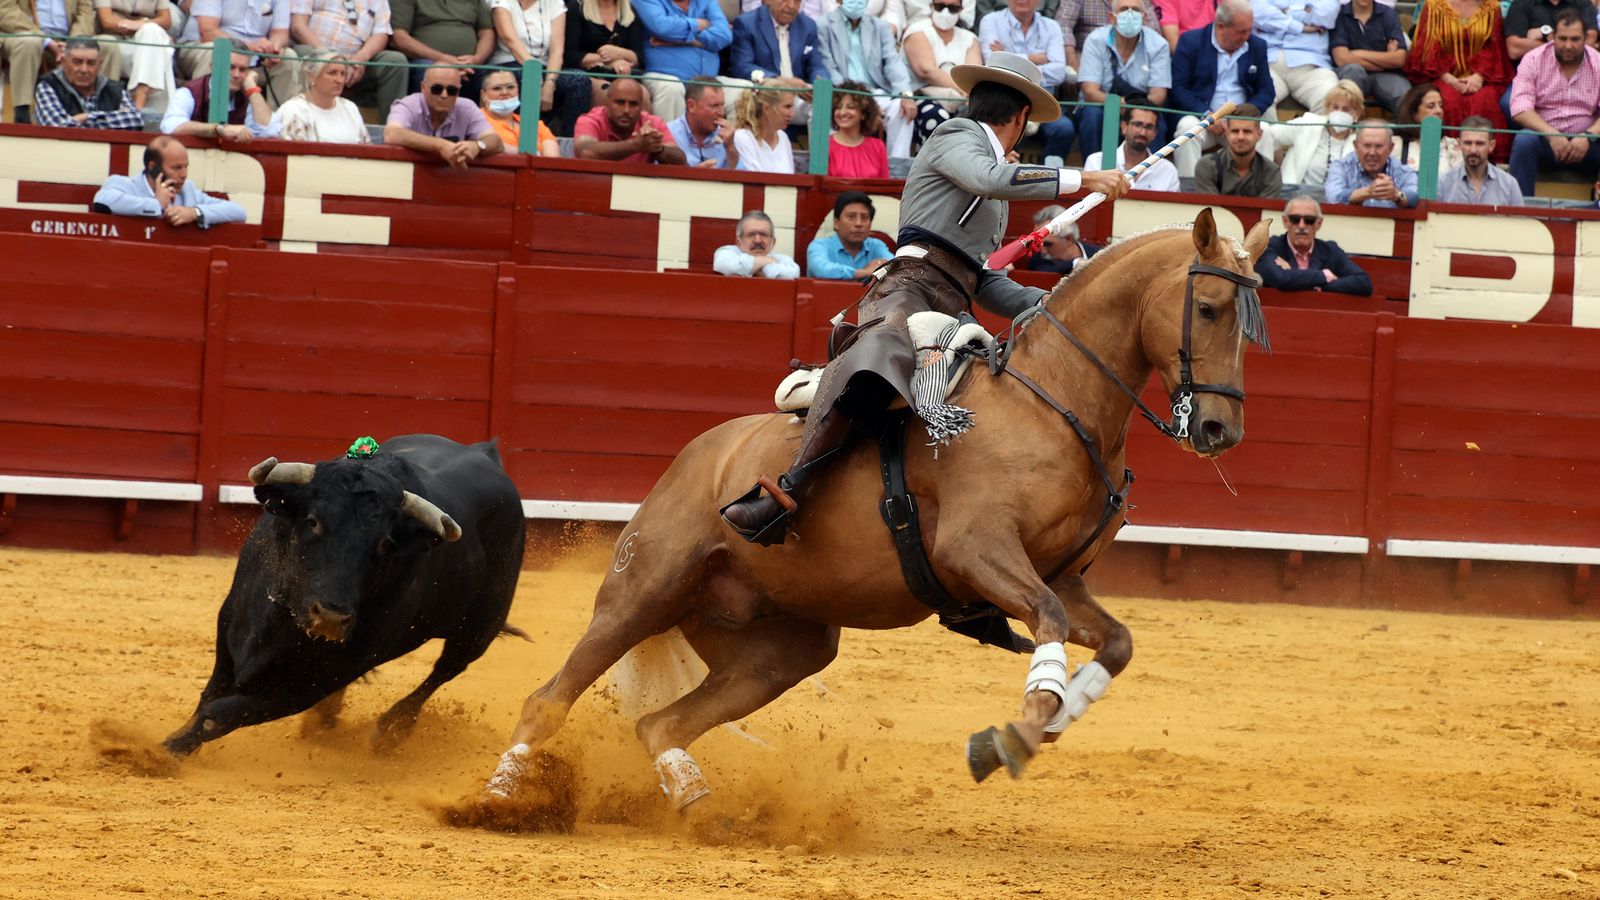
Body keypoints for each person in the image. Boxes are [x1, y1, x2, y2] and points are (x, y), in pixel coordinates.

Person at [718, 50, 1129, 544]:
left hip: (954, 307)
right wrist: (1084, 178)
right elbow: (989, 178)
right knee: (880, 356)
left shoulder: (992, 181)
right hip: (908, 288)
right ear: (1021, 117)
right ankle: (788, 492)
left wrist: (1054, 303)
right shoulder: (956, 135)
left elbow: (981, 279)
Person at [1171, 0, 1274, 177]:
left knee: (1265, 131)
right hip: (1204, 119)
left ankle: (1260, 190)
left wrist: (1245, 115)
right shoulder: (1191, 42)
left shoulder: (1257, 45)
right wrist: (1206, 116)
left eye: (1249, 30)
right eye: (1241, 31)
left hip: (1241, 121)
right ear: (1220, 26)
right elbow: (1178, 88)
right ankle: (1189, 188)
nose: (1247, 36)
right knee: (1187, 128)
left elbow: (1267, 91)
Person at [1509, 10, 1600, 195]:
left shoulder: (1598, 63)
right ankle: (1521, 208)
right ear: (1552, 37)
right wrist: (1552, 135)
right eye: (1562, 38)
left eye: (1575, 39)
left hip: (1588, 144)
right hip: (1546, 142)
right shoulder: (1533, 59)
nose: (1568, 45)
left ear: (1586, 38)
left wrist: (1588, 136)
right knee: (1524, 141)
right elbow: (1520, 107)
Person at [817, 0, 916, 157]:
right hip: (841, 92)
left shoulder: (880, 26)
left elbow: (893, 62)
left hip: (876, 92)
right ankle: (833, 165)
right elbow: (828, 66)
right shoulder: (823, 25)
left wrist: (905, 93)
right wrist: (859, 99)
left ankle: (897, 167)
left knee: (902, 108)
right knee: (827, 108)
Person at [1404, 0, 1513, 142]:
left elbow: (1495, 48)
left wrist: (1479, 76)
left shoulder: (1492, 7)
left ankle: (1485, 154)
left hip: (1483, 77)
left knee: (1485, 101)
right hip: (1440, 75)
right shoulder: (1433, 6)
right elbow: (1426, 49)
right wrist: (1450, 79)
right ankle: (1448, 151)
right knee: (1448, 101)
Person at [1074, 0, 1170, 159]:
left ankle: (1147, 173)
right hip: (1101, 106)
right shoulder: (1095, 40)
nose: (1130, 14)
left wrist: (1134, 110)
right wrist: (1120, 105)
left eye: (1136, 10)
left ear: (1145, 17)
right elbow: (1090, 92)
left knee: (1154, 122)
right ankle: (1093, 170)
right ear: (1111, 17)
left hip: (1142, 107)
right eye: (1124, 9)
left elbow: (1158, 95)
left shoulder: (1159, 45)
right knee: (1092, 116)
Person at [979, 0, 1072, 163]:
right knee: (1005, 123)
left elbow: (1058, 72)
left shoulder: (1052, 26)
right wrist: (1032, 58)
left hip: (1042, 104)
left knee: (1064, 129)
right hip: (1002, 103)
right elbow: (993, 64)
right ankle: (1004, 173)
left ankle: (1047, 176)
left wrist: (1009, 56)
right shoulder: (990, 21)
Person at [92, 135, 248, 228]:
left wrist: (194, 213)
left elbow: (239, 212)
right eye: (177, 168)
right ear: (153, 168)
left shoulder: (188, 191)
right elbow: (102, 201)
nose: (184, 175)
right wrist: (156, 205)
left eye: (186, 167)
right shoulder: (124, 184)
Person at [289, 0, 409, 117]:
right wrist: (330, 57)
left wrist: (360, 59)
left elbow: (381, 34)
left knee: (395, 61)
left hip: (356, 61)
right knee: (303, 53)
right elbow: (298, 26)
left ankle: (394, 125)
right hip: (317, 53)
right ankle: (300, 118)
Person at [489, 0, 591, 133]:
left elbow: (557, 51)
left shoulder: (554, 3)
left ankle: (569, 140)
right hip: (508, 64)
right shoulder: (502, 3)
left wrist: (550, 82)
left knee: (579, 80)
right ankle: (522, 137)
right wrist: (535, 74)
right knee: (523, 78)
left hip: (545, 68)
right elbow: (510, 40)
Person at [178, 0, 301, 107]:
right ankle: (205, 119)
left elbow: (280, 33)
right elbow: (208, 32)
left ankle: (275, 122)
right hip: (202, 46)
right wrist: (248, 46)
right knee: (218, 52)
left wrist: (273, 48)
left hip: (254, 55)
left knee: (288, 57)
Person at [0, 0, 103, 124]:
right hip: (24, 33)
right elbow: (5, 11)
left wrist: (73, 44)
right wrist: (46, 41)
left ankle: (104, 110)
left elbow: (85, 14)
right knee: (29, 43)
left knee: (108, 46)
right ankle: (22, 112)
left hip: (68, 38)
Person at [384, 65, 506, 166]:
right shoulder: (408, 105)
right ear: (423, 87)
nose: (444, 95)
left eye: (452, 90)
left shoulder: (467, 108)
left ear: (459, 91)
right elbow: (391, 134)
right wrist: (440, 145)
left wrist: (478, 146)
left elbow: (495, 141)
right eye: (437, 89)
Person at [633, 0, 731, 121]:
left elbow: (725, 35)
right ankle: (668, 134)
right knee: (671, 88)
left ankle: (730, 134)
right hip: (664, 76)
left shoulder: (706, 2)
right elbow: (662, 28)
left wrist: (680, 41)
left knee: (742, 89)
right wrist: (698, 24)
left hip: (709, 81)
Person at [1253, 194, 1372, 295]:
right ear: (1285, 221)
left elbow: (1363, 282)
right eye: (1295, 219)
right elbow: (1280, 279)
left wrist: (1314, 285)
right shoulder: (1270, 247)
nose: (1301, 226)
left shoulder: (1330, 250)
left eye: (1309, 220)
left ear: (1318, 224)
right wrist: (1325, 276)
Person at [901, 0, 981, 148]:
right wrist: (965, 91)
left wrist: (966, 93)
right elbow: (926, 71)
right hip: (925, 98)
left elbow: (973, 75)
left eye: (952, 8)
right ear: (931, 6)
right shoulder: (917, 31)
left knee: (978, 123)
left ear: (960, 9)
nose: (945, 12)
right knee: (936, 118)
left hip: (963, 102)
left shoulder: (970, 38)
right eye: (940, 6)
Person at [1264, 77, 1360, 190]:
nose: (1339, 112)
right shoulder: (1308, 125)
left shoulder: (1360, 142)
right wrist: (1271, 173)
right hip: (1295, 196)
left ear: (1357, 114)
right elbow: (1267, 134)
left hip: (1339, 199)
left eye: (1346, 109)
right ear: (1328, 109)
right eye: (1335, 107)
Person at [160, 49, 280, 138]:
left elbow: (270, 131)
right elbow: (171, 127)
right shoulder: (190, 92)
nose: (237, 75)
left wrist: (252, 88)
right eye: (230, 67)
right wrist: (218, 130)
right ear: (213, 67)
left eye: (242, 70)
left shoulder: (246, 96)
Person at [389, 0, 493, 102]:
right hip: (426, 62)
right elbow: (398, 37)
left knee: (493, 77)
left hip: (469, 67)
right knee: (427, 71)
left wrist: (476, 59)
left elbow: (487, 31)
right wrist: (444, 60)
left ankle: (481, 113)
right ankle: (423, 113)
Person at [33, 36, 144, 129]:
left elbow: (136, 120)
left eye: (91, 63)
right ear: (63, 62)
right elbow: (58, 127)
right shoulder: (49, 85)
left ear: (99, 64)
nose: (84, 70)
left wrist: (84, 117)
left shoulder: (114, 88)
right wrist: (112, 118)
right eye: (77, 62)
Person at [1252, 0, 1340, 114]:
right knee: (1255, 101)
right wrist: (1301, 27)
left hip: (1310, 66)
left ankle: (1306, 127)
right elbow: (1257, 13)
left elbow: (1326, 15)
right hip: (1268, 64)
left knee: (1333, 100)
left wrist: (1283, 13)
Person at [574, 75, 688, 162]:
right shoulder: (590, 120)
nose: (626, 110)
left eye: (633, 104)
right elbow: (585, 152)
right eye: (619, 102)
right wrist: (636, 145)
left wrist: (657, 147)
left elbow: (681, 161)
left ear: (641, 106)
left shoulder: (653, 123)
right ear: (606, 103)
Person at [94, 0, 176, 110]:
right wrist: (132, 25)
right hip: (116, 38)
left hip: (145, 38)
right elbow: (107, 21)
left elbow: (166, 20)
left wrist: (141, 25)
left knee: (152, 31)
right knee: (158, 46)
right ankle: (142, 104)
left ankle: (139, 97)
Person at [1082, 99, 1179, 191]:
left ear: (1155, 133)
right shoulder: (1096, 161)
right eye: (1137, 124)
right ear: (1124, 127)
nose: (1143, 132)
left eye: (1149, 127)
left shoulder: (1168, 170)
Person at [1329, 0, 1407, 114]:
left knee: (1405, 98)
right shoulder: (1339, 14)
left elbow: (1399, 59)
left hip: (1386, 75)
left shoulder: (1388, 14)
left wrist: (1356, 53)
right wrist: (1386, 60)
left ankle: (1405, 126)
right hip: (1352, 73)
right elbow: (1342, 59)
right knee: (1354, 70)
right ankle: (1346, 122)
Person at [272, 52, 371, 142]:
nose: (339, 80)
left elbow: (367, 149)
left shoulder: (350, 108)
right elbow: (293, 153)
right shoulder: (294, 110)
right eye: (332, 73)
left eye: (343, 74)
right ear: (311, 75)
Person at [565, 0, 645, 110]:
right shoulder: (576, 8)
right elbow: (569, 56)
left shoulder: (629, 11)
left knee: (643, 95)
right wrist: (610, 61)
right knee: (609, 94)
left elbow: (639, 59)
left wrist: (620, 53)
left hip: (622, 75)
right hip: (589, 74)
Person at [1193, 104, 1283, 197]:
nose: (1240, 137)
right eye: (1235, 131)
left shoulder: (1271, 172)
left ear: (1259, 134)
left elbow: (1264, 207)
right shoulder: (1207, 166)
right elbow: (1211, 205)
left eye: (1247, 131)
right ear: (1226, 133)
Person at [1325, 119, 1418, 207]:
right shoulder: (1341, 167)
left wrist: (1397, 195)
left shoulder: (1403, 171)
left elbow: (1416, 197)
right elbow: (1333, 197)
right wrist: (1368, 192)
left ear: (1391, 148)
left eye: (1379, 146)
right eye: (1367, 146)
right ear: (1356, 146)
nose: (1372, 153)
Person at [1437, 115, 1524, 204]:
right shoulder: (1443, 183)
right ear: (1459, 144)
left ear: (1491, 145)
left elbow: (1518, 213)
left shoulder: (1509, 185)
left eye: (1479, 144)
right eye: (1467, 143)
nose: (1473, 150)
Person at [806, 190, 892, 279]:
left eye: (864, 217)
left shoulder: (876, 246)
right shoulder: (819, 246)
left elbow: (896, 267)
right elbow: (821, 270)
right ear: (836, 223)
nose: (858, 223)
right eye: (851, 217)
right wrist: (866, 272)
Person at [1055, 0, 1159, 70]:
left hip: (1132, 54)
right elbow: (1063, 26)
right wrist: (1072, 63)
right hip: (1087, 54)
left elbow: (1153, 31)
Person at [480, 67, 560, 154]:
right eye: (497, 88)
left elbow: (551, 157)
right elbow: (489, 146)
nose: (504, 92)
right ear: (484, 95)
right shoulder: (475, 120)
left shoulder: (535, 124)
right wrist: (533, 155)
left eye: (510, 87)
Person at [668, 77, 738, 166]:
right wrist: (696, 173)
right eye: (714, 106)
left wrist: (730, 148)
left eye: (722, 105)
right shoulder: (669, 135)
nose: (722, 113)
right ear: (691, 106)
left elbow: (742, 173)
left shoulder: (728, 138)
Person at [1393, 83, 1465, 168]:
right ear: (1414, 114)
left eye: (1441, 105)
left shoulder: (1452, 145)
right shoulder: (1395, 145)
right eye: (1431, 106)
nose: (1439, 111)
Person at [1502, 0, 1597, 64]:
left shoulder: (1583, 3)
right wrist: (1564, 43)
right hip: (1533, 74)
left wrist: (1545, 34)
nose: (1567, 45)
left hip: (1576, 72)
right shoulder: (1522, 3)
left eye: (1574, 38)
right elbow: (1514, 49)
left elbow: (1589, 43)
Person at [828, 82, 891, 177]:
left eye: (850, 107)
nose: (842, 112)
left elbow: (884, 183)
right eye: (838, 107)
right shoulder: (825, 146)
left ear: (863, 114)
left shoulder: (878, 147)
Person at [714, 210, 802, 278]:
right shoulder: (726, 252)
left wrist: (757, 268)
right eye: (751, 234)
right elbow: (723, 264)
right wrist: (764, 261)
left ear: (773, 242)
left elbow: (793, 273)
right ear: (738, 242)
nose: (758, 240)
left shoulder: (782, 259)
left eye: (764, 234)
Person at [731, 85, 795, 172]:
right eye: (787, 107)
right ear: (767, 108)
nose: (791, 114)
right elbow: (754, 177)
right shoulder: (743, 137)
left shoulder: (783, 137)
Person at [1024, 205, 1099, 273]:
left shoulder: (1099, 254)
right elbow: (1043, 271)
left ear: (1068, 239)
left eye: (1048, 244)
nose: (1043, 251)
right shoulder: (1037, 261)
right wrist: (1075, 262)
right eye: (1038, 244)